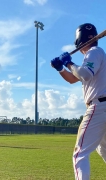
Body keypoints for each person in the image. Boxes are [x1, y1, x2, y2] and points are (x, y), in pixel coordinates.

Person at [51, 23, 106, 180]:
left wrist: (68, 62)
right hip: (103, 107)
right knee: (103, 149)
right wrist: (61, 68)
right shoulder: (97, 54)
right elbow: (74, 78)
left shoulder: (94, 52)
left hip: (98, 107)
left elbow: (85, 74)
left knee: (79, 154)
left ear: (79, 42)